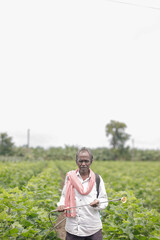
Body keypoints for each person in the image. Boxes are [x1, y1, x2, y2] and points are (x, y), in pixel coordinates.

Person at [57, 147, 108, 240]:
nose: (83, 164)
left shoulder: (97, 179)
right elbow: (64, 196)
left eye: (86, 161)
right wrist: (61, 205)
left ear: (91, 161)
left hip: (92, 229)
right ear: (76, 161)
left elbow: (104, 200)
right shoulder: (70, 177)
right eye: (81, 161)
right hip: (73, 228)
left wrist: (98, 202)